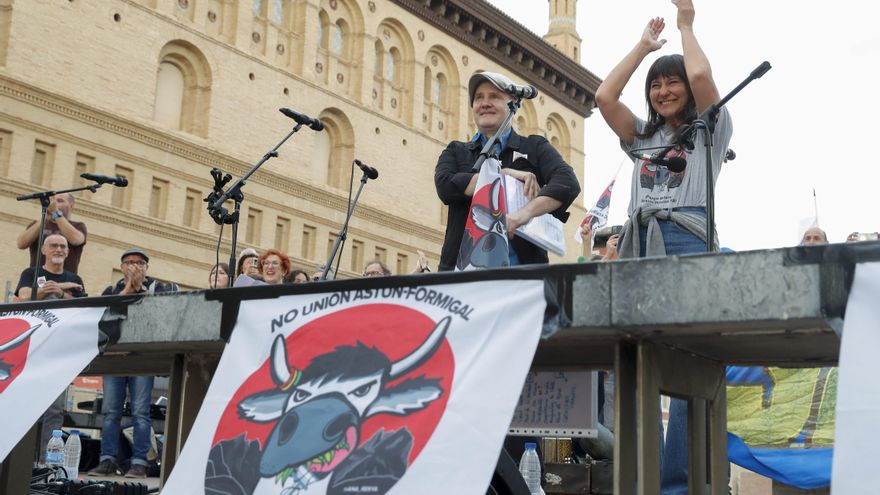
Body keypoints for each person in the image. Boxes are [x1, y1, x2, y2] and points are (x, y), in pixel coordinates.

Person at [594, 1, 729, 492]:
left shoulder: (709, 131)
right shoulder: (643, 136)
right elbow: (605, 96)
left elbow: (701, 75)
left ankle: (678, 482)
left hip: (687, 238)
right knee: (639, 360)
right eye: (657, 84)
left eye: (671, 82)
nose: (664, 90)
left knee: (686, 359)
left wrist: (685, 25)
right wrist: (643, 48)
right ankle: (640, 476)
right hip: (639, 245)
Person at [434, 71, 580, 271]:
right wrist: (505, 174)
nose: (485, 103)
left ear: (512, 104)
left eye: (494, 96)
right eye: (478, 98)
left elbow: (568, 183)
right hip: (460, 277)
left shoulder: (534, 147)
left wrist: (522, 215)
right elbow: (445, 185)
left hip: (521, 277)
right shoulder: (457, 151)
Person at [89, 248, 177, 478]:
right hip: (115, 360)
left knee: (140, 412)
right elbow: (104, 316)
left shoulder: (158, 289)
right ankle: (107, 460)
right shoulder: (112, 290)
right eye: (129, 263)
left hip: (142, 360)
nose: (134, 267)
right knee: (110, 412)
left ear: (147, 268)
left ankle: (140, 462)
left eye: (139, 263)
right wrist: (129, 289)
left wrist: (141, 291)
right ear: (121, 267)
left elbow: (163, 317)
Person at [16, 193, 88, 274]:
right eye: (53, 201)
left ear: (71, 206)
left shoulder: (78, 226)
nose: (54, 204)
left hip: (66, 279)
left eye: (60, 201)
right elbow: (21, 244)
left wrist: (55, 213)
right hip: (39, 279)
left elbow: (76, 240)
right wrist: (45, 217)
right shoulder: (37, 224)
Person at [15, 234, 86, 301]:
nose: (59, 250)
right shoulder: (31, 273)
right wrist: (60, 286)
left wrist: (62, 294)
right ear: (43, 250)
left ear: (67, 252)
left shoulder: (75, 279)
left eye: (63, 246)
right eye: (54, 246)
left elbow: (83, 306)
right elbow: (24, 297)